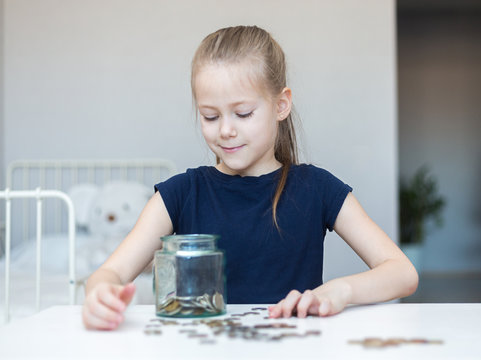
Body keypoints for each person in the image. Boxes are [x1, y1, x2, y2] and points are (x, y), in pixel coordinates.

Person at [82, 25, 418, 330]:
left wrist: (340, 290)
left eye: (243, 114)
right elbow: (108, 274)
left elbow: (402, 272)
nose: (226, 130)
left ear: (280, 105)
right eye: (210, 116)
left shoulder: (318, 188)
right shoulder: (180, 194)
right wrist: (100, 293)